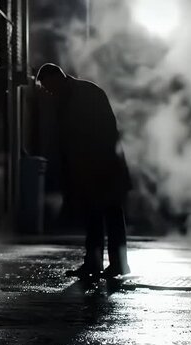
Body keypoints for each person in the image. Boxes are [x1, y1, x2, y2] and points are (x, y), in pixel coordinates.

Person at [36, 63, 132, 281]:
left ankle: (114, 264)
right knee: (96, 215)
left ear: (56, 78)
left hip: (103, 166)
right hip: (94, 167)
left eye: (49, 87)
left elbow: (101, 132)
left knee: (109, 214)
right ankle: (100, 263)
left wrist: (88, 165)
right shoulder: (74, 93)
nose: (49, 92)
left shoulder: (84, 94)